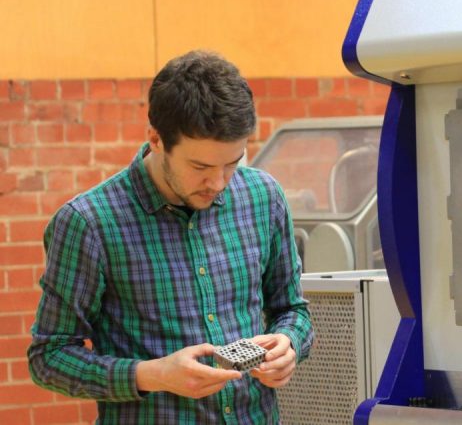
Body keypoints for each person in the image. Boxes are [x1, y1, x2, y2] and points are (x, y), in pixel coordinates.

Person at [27, 50, 314, 424]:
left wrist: (289, 343)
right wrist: (154, 375)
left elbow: (293, 309)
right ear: (156, 139)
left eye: (232, 162)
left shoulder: (263, 197)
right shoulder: (89, 223)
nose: (218, 183)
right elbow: (49, 357)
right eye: (200, 166)